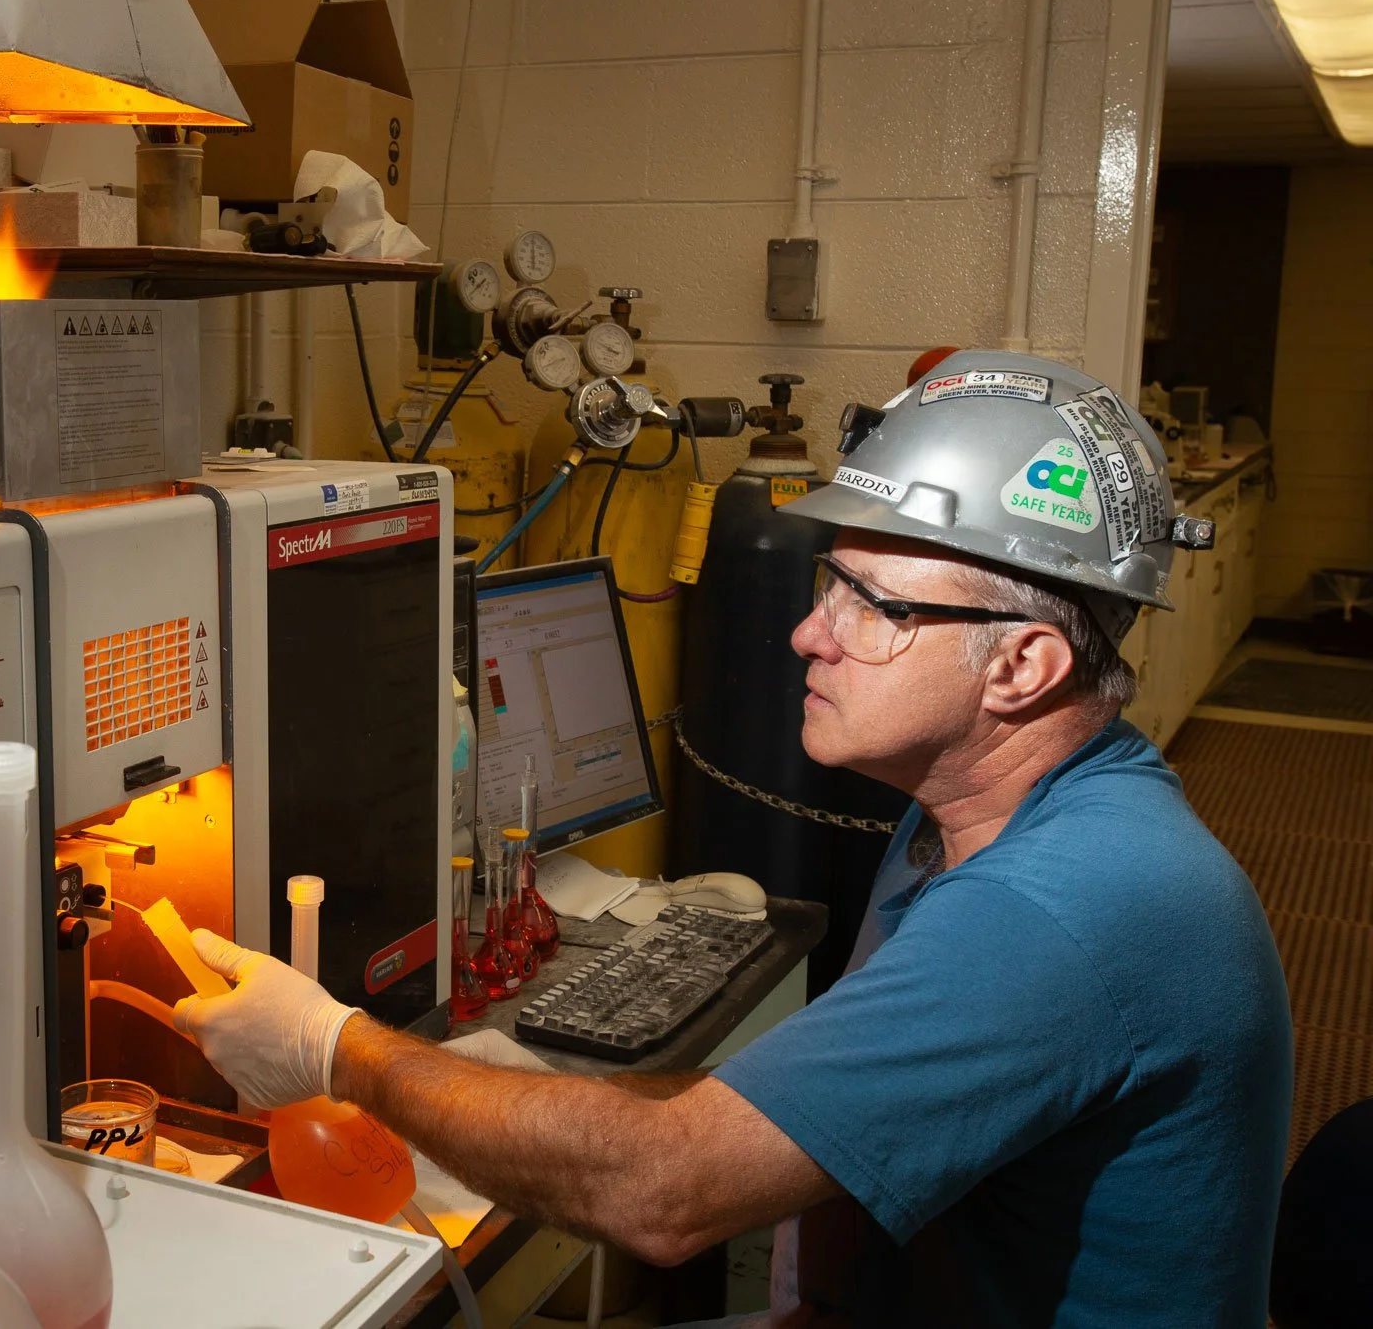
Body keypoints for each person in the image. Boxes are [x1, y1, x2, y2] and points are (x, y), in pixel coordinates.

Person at [174, 351, 1293, 1327]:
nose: (809, 632)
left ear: (1019, 667)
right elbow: (805, 1115)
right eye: (826, 586)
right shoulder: (993, 812)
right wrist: (520, 1093)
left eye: (868, 604)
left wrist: (337, 1049)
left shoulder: (1061, 906)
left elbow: (666, 1193)